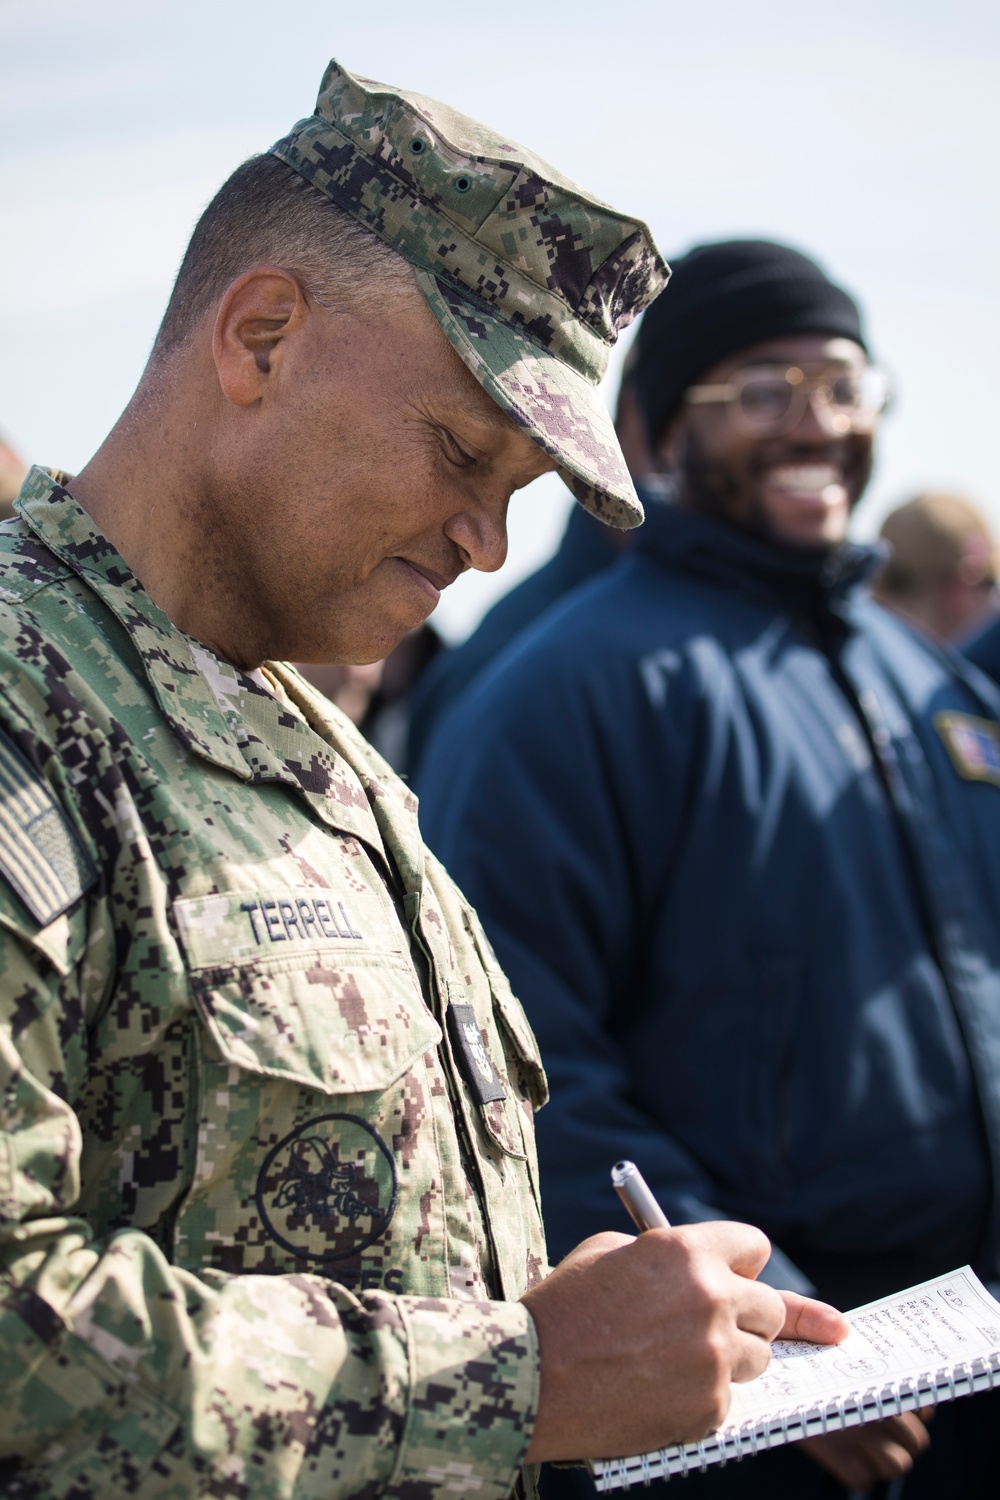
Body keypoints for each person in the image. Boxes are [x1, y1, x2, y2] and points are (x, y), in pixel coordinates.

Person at [0, 72, 848, 1500]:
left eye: (518, 491)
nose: (485, 542)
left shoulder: (301, 728)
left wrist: (554, 1312)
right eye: (461, 451)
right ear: (261, 336)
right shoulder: (30, 703)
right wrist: (517, 1376)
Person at [417, 239, 1000, 1497]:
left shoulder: (929, 682)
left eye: (841, 384)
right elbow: (520, 1069)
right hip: (762, 1411)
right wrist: (768, 1338)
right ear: (657, 431)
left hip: (972, 1362)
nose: (815, 423)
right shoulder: (564, 694)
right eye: (761, 391)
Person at [873, 491, 999, 643]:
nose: (994, 601)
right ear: (960, 588)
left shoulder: (846, 648)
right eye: (989, 584)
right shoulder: (948, 664)